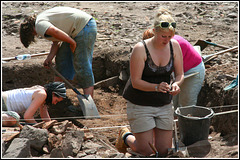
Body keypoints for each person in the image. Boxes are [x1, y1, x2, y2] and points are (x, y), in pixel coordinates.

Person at [115, 8, 184, 156]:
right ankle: (126, 136)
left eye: (170, 36)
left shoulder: (175, 46)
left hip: (164, 102)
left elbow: (180, 74)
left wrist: (177, 84)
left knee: (164, 151)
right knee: (146, 150)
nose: (166, 40)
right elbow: (136, 82)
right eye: (163, 36)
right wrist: (156, 87)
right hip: (140, 103)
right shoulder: (140, 49)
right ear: (154, 31)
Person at [19, 6, 97, 98]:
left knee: (82, 65)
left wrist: (72, 42)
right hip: (75, 30)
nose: (35, 36)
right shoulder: (42, 20)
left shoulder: (39, 25)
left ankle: (89, 101)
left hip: (84, 27)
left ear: (29, 32)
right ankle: (57, 94)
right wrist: (49, 58)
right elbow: (56, 41)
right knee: (62, 59)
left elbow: (55, 32)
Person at [142, 28, 205, 108]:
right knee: (172, 103)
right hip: (176, 71)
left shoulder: (174, 45)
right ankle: (174, 119)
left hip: (193, 70)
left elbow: (166, 70)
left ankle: (184, 120)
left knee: (186, 103)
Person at [2, 82, 66, 126]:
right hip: (3, 103)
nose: (54, 103)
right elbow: (27, 117)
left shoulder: (42, 92)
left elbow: (44, 115)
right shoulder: (42, 94)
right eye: (56, 101)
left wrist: (50, 126)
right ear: (53, 94)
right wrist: (38, 128)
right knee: (14, 119)